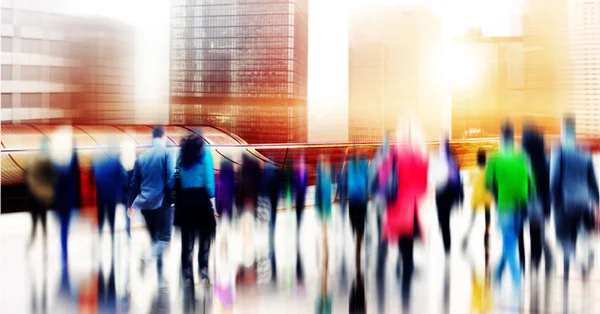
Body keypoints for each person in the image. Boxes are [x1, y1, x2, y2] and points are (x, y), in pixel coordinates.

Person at [379, 116, 429, 309]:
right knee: (407, 242)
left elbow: (384, 177)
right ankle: (406, 270)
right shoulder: (421, 154)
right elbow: (424, 185)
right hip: (414, 207)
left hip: (398, 205)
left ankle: (404, 270)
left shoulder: (394, 153)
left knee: (402, 240)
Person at [486, 120, 535, 291]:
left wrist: (498, 193)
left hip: (505, 204)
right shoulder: (523, 156)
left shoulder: (494, 158)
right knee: (511, 240)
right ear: (513, 136)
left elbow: (488, 184)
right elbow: (532, 183)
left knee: (509, 242)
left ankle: (517, 281)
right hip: (522, 205)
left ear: (500, 136)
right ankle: (498, 274)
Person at [550, 115, 599, 283]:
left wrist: (552, 200)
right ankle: (569, 267)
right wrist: (597, 201)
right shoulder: (584, 150)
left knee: (563, 238)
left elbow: (555, 178)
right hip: (585, 201)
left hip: (565, 201)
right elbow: (592, 179)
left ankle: (578, 265)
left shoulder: (559, 150)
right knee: (575, 235)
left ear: (563, 128)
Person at [128, 126, 175, 283]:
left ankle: (159, 270)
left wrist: (131, 205)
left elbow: (134, 183)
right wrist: (172, 199)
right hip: (162, 202)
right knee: (165, 238)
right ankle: (148, 259)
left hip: (145, 205)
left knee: (155, 238)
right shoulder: (167, 153)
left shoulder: (142, 157)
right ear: (163, 136)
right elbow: (170, 178)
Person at [175, 132, 216, 284]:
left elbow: (176, 177)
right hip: (201, 200)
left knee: (187, 238)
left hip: (184, 201)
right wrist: (210, 195)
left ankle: (186, 268)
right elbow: (210, 184)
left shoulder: (181, 155)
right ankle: (203, 267)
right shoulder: (205, 154)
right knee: (205, 235)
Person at [522, 122, 554, 274]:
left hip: (525, 202)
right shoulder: (545, 162)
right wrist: (548, 207)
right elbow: (548, 188)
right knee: (537, 233)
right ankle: (537, 260)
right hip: (539, 203)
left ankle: (529, 262)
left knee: (524, 233)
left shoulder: (522, 161)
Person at [51, 126, 81, 267]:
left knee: (63, 225)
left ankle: (63, 250)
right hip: (68, 198)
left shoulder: (55, 162)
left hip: (59, 199)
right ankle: (64, 249)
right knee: (65, 225)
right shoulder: (72, 157)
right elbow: (76, 178)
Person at [92, 138, 128, 251]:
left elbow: (94, 177)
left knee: (101, 218)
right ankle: (112, 240)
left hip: (100, 195)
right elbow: (124, 177)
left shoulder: (98, 161)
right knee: (112, 219)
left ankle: (100, 239)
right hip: (112, 195)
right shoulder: (116, 161)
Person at [432, 137, 464, 256]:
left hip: (442, 194)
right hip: (449, 194)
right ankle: (447, 245)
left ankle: (447, 247)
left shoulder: (442, 159)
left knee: (443, 220)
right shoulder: (452, 159)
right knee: (445, 220)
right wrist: (460, 197)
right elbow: (458, 179)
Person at [462, 148, 493, 264]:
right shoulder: (489, 171)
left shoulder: (473, 171)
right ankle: (487, 234)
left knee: (473, 218)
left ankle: (466, 236)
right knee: (487, 217)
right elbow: (492, 183)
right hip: (487, 197)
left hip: (476, 197)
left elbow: (470, 183)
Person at [25, 138, 56, 251]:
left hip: (35, 199)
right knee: (42, 227)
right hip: (40, 199)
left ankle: (31, 249)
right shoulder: (46, 163)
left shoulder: (35, 160)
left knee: (36, 227)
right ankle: (43, 249)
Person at [347, 150, 369, 272]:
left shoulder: (354, 165)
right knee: (357, 222)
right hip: (359, 199)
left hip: (357, 199)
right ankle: (358, 239)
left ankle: (358, 246)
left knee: (357, 223)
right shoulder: (356, 165)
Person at [316, 155, 333, 264]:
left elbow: (321, 191)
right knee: (324, 223)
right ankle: (324, 244)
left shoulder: (323, 176)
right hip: (324, 202)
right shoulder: (326, 175)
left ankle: (324, 244)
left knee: (324, 223)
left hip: (324, 202)